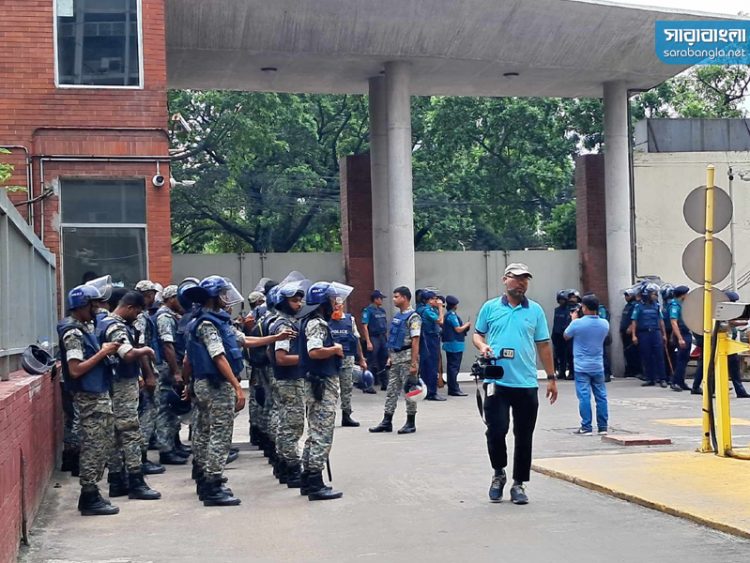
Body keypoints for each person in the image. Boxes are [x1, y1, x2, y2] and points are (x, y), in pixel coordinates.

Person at [472, 263, 557, 505]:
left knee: (524, 434)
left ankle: (519, 484)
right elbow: (477, 334)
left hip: (526, 382)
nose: (521, 283)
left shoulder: (535, 311)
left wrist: (551, 378)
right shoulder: (490, 308)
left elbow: (543, 344)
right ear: (505, 279)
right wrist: (483, 346)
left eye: (525, 279)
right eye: (517, 278)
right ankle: (498, 473)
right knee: (496, 430)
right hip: (496, 380)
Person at [58, 284, 122, 515]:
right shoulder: (73, 333)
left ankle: (93, 492)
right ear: (82, 306)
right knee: (93, 446)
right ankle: (88, 495)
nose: (97, 309)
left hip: (98, 397)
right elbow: (75, 370)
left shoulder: (84, 328)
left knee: (101, 445)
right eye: (93, 305)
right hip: (89, 399)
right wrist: (103, 352)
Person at [97, 290, 162, 501]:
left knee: (116, 435)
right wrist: (147, 351)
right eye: (137, 312)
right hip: (122, 386)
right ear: (130, 308)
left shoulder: (104, 323)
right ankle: (136, 480)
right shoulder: (116, 326)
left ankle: (117, 480)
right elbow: (126, 354)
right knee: (131, 431)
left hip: (112, 384)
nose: (138, 316)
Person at [299, 281, 352, 500]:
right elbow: (315, 351)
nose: (335, 303)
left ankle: (308, 478)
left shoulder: (308, 321)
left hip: (315, 383)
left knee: (314, 433)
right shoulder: (317, 323)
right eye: (332, 299)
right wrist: (335, 349)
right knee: (322, 434)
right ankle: (316, 484)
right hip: (322, 384)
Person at [267, 274, 308, 488]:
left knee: (286, 424)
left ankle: (284, 465)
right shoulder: (284, 325)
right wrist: (307, 359)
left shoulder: (287, 322)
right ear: (283, 302)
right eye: (294, 300)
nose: (299, 304)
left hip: (288, 380)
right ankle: (292, 469)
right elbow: (281, 358)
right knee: (292, 425)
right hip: (289, 381)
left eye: (300, 300)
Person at [369, 286, 422, 435]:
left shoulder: (414, 317)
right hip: (395, 358)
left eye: (396, 297)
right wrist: (390, 357)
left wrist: (413, 363)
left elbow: (415, 341)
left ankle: (411, 422)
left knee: (410, 391)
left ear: (405, 298)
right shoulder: (398, 316)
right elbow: (393, 339)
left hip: (407, 358)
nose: (394, 299)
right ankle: (387, 420)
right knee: (391, 391)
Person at [564, 294, 609, 435]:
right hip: (598, 365)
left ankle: (586, 427)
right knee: (601, 396)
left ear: (584, 307)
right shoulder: (604, 323)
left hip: (581, 366)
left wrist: (573, 319)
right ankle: (603, 427)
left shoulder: (577, 324)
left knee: (584, 397)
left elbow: (566, 335)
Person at [153, 285, 189, 464]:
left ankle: (174, 444)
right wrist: (176, 371)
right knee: (165, 409)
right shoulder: (164, 317)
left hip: (172, 366)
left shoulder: (173, 316)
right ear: (170, 299)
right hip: (166, 368)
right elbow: (168, 346)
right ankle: (166, 449)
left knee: (173, 408)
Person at [328, 301, 368, 427]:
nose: (337, 306)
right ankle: (329, 417)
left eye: (339, 304)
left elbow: (356, 340)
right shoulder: (326, 320)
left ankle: (346, 415)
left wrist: (361, 358)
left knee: (347, 388)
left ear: (343, 305)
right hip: (330, 359)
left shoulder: (350, 320)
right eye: (334, 304)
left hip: (347, 358)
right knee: (331, 390)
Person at [631, 283, 668, 388]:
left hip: (656, 333)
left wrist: (664, 334)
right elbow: (634, 321)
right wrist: (634, 335)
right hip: (643, 333)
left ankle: (662, 379)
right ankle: (650, 378)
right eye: (653, 293)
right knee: (646, 357)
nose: (655, 296)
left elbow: (661, 321)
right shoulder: (638, 307)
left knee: (659, 356)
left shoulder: (657, 306)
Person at [441, 295, 471, 396]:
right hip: (455, 344)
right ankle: (454, 388)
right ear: (455, 306)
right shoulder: (452, 316)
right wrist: (466, 325)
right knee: (454, 367)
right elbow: (458, 329)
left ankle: (452, 387)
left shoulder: (447, 315)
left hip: (451, 344)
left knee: (451, 367)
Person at [418, 290, 445, 400]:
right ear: (429, 300)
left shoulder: (420, 309)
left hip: (424, 338)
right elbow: (440, 321)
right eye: (434, 299)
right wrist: (440, 308)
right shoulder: (428, 311)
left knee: (425, 366)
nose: (436, 300)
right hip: (430, 338)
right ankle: (432, 392)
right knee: (433, 365)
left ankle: (425, 390)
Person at [362, 290, 389, 391]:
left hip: (382, 337)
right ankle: (368, 385)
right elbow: (365, 326)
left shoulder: (382, 311)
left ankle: (384, 383)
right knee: (371, 361)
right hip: (373, 337)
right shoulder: (368, 310)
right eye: (381, 298)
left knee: (383, 360)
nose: (382, 300)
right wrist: (368, 341)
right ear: (376, 299)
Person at [668, 286, 692, 392]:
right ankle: (675, 382)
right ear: (682, 295)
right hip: (682, 334)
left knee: (685, 359)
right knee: (681, 360)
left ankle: (681, 382)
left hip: (686, 332)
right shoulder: (675, 305)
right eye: (687, 294)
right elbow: (674, 322)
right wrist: (680, 338)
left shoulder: (683, 304)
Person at [620, 288, 641, 378]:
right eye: (625, 295)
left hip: (632, 332)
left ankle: (637, 370)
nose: (626, 297)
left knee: (634, 352)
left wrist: (631, 328)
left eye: (627, 295)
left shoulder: (635, 305)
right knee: (627, 352)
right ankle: (630, 370)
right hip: (625, 332)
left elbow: (636, 319)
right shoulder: (627, 306)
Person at [551, 290, 571, 380]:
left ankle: (570, 371)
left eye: (563, 300)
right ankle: (561, 371)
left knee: (569, 354)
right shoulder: (557, 310)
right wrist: (553, 334)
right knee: (559, 355)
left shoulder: (570, 310)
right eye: (560, 300)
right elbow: (556, 323)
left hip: (566, 335)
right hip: (558, 335)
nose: (562, 301)